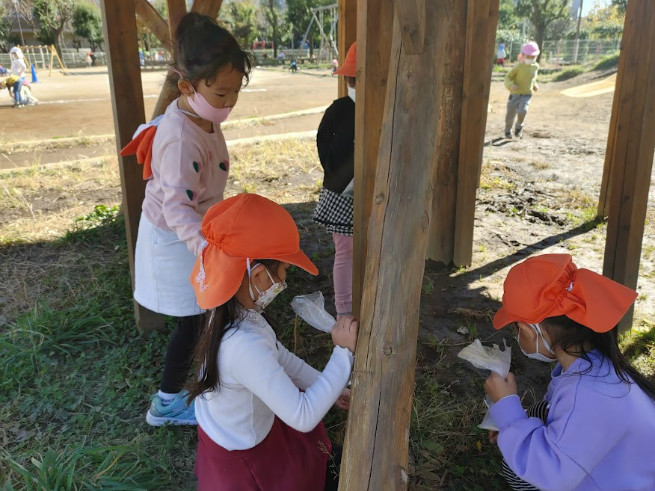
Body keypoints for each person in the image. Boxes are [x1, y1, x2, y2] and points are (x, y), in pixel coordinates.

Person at [126, 12, 253, 426]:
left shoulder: (202, 116)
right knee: (194, 319)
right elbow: (178, 208)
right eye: (221, 94)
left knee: (206, 312)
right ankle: (166, 404)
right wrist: (205, 249)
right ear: (187, 86)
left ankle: (202, 382)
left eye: (235, 92)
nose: (229, 103)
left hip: (196, 232)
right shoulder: (181, 137)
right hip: (177, 238)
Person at [187, 193, 356, 490]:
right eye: (285, 270)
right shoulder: (243, 345)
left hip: (241, 434)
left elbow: (280, 356)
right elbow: (303, 416)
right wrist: (343, 353)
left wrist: (331, 385)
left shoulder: (232, 312)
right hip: (246, 463)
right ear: (260, 275)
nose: (284, 279)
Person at [485, 253, 655, 490]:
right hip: (620, 473)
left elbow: (551, 473)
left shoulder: (587, 393)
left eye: (516, 329)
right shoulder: (593, 366)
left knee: (517, 473)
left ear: (529, 329)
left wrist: (507, 407)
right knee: (533, 421)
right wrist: (508, 423)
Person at [312, 42, 356, 318]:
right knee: (346, 252)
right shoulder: (340, 109)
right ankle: (344, 309)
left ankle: (362, 297)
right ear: (352, 79)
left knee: (362, 252)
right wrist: (335, 174)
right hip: (343, 193)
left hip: (373, 193)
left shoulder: (387, 110)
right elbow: (322, 142)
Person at [503, 41, 539, 139]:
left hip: (527, 94)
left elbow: (533, 78)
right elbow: (507, 77)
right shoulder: (518, 67)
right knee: (510, 114)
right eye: (528, 56)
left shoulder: (536, 66)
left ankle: (518, 129)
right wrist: (511, 85)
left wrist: (535, 85)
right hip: (515, 94)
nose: (530, 59)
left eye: (533, 57)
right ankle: (507, 130)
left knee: (523, 111)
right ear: (523, 55)